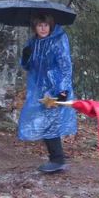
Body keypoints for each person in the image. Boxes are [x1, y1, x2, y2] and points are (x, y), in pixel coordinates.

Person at [18, 13, 77, 172]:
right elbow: (27, 66)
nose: (43, 28)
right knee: (44, 121)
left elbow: (65, 65)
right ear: (34, 27)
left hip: (56, 87)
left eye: (45, 25)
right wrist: (26, 55)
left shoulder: (59, 40)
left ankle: (58, 160)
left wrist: (63, 90)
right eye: (39, 25)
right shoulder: (33, 42)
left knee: (51, 122)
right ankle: (56, 157)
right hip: (39, 88)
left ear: (50, 25)